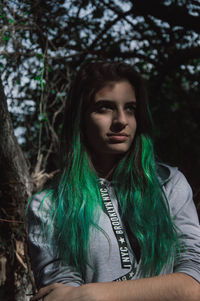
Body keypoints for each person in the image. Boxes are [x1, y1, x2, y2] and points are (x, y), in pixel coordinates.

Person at [28, 61, 200, 301]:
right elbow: (63, 296)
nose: (121, 120)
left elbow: (194, 285)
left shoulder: (169, 185)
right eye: (105, 108)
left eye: (130, 108)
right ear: (81, 119)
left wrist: (93, 294)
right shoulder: (49, 206)